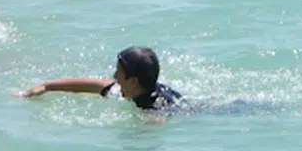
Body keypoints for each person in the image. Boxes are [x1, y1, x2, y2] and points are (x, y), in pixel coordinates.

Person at [21, 46, 185, 114]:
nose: (114, 76)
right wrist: (46, 86)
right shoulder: (135, 88)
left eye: (118, 72)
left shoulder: (155, 110)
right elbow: (93, 84)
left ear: (133, 81)